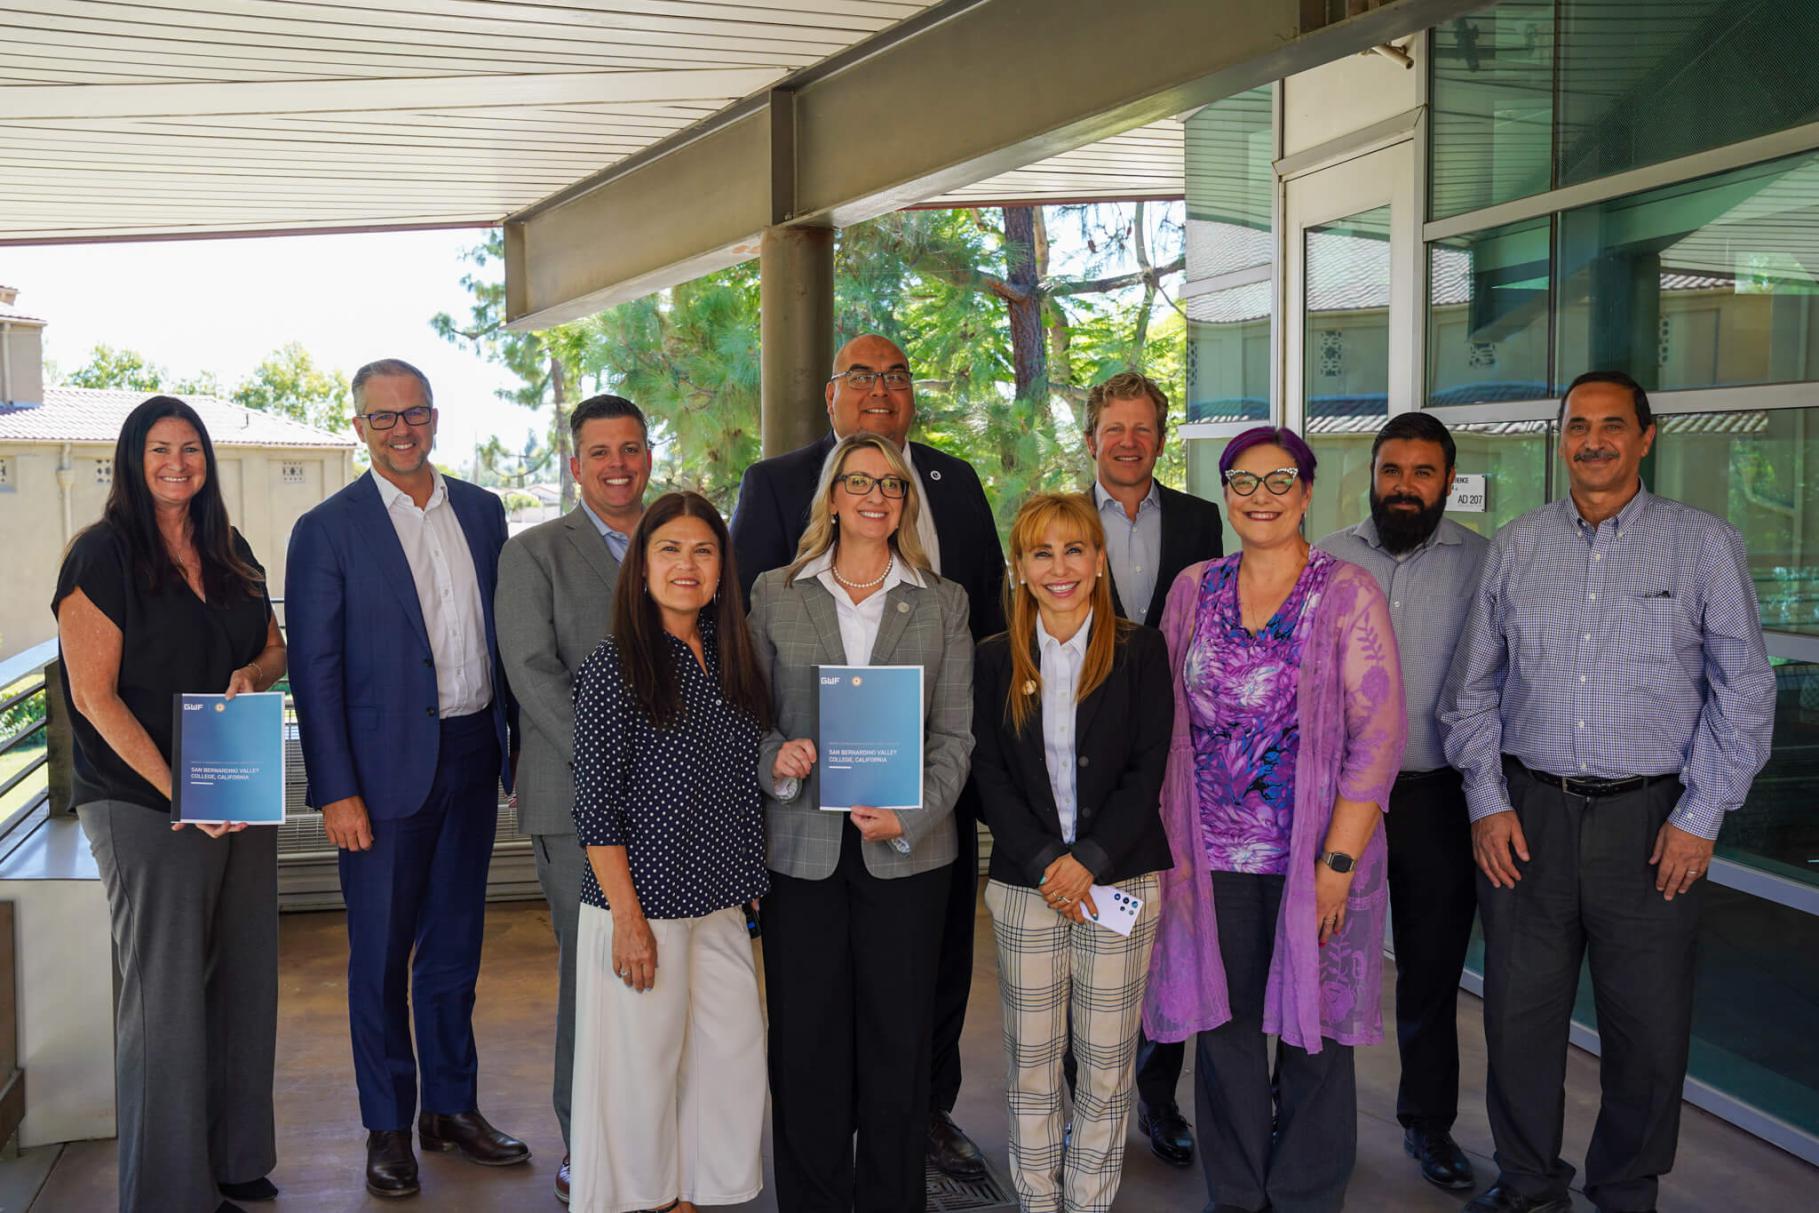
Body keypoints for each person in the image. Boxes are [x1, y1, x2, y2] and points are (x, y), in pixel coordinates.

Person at [1441, 371, 1775, 1213]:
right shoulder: (1516, 544)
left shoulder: (1700, 543)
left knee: (1647, 1029)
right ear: (1560, 438)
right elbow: (1470, 690)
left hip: (1651, 822)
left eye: (1610, 425)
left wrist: (1699, 815)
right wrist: (1486, 800)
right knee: (1519, 1020)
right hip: (1528, 819)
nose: (1592, 440)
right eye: (1577, 425)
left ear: (1645, 436)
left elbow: (1745, 688)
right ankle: (1525, 1184)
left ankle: (1625, 1190)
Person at [730, 332, 1004, 1179]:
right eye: (860, 481)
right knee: (806, 1042)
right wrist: (780, 756)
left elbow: (958, 734)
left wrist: (913, 811)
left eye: (891, 483)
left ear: (907, 499)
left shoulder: (944, 602)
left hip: (907, 848)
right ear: (833, 495)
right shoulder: (775, 593)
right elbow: (745, 717)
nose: (877, 494)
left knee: (897, 1042)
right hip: (802, 850)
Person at [1144, 426, 1407, 1213]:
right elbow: (1159, 717)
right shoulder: (1194, 587)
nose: (1260, 496)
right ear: (1225, 494)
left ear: (1307, 491)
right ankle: (1236, 1191)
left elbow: (1379, 735)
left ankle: (1301, 1193)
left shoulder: (1346, 591)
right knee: (1222, 1034)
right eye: (1243, 481)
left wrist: (1336, 866)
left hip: (1313, 859)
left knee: (1313, 1032)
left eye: (1278, 480)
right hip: (1206, 856)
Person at [286, 358, 527, 1199]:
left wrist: (518, 754)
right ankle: (388, 1125)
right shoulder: (327, 528)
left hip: (470, 754)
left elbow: (512, 644)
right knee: (381, 955)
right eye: (382, 417)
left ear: (433, 417)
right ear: (359, 427)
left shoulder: (484, 511)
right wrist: (335, 789)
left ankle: (449, 1107)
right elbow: (313, 673)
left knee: (456, 947)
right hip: (379, 778)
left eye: (414, 412)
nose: (401, 428)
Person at [53, 395, 288, 1213]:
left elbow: (272, 642)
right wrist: (179, 788)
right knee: (167, 997)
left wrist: (256, 675)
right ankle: (166, 1192)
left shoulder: (230, 548)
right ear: (132, 457)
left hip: (238, 784)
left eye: (190, 448)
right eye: (160, 448)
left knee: (245, 975)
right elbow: (93, 696)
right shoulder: (102, 556)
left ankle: (233, 1157)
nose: (177, 463)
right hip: (144, 802)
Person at [567, 491, 771, 1213]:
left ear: (722, 566)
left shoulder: (730, 655)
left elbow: (739, 777)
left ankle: (694, 1193)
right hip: (641, 904)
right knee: (640, 1072)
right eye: (670, 549)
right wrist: (627, 918)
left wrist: (748, 869)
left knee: (730, 1059)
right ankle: (647, 1201)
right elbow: (595, 809)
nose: (688, 565)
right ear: (642, 566)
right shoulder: (615, 666)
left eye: (703, 550)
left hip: (719, 899)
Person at [971, 492, 1174, 1212]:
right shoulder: (993, 658)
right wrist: (1042, 863)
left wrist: (1086, 857)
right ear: (1019, 567)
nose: (1059, 566)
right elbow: (987, 774)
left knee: (1107, 1063)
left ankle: (1087, 1200)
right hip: (1027, 888)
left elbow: (1148, 768)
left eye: (1073, 549)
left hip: (1119, 879)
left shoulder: (1141, 649)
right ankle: (1036, 1198)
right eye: (1040, 552)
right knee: (1029, 1062)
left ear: (1096, 560)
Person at [1314, 411, 1486, 1192]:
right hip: (1336, 803)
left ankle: (1428, 1123)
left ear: (1446, 479)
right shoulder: (1325, 559)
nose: (1404, 486)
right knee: (1317, 960)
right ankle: (1307, 1113)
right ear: (1372, 474)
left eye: (1422, 472)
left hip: (1432, 798)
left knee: (1429, 968)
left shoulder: (1483, 563)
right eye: (1391, 470)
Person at [496, 393, 652, 1204]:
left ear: (649, 453)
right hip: (575, 796)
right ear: (573, 463)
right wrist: (617, 756)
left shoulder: (683, 538)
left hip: (680, 804)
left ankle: (656, 1135)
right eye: (600, 451)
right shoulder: (533, 555)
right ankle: (585, 1141)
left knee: (665, 968)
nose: (617, 464)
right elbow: (531, 673)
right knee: (593, 973)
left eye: (630, 447)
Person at [1078, 369, 1223, 1166]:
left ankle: (1157, 1098)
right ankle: (1080, 1098)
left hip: (1176, 754)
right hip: (1084, 751)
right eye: (1114, 427)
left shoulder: (1203, 521)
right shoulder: (1064, 520)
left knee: (1164, 925)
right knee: (1087, 920)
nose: (1128, 441)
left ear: (1159, 439)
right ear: (1091, 437)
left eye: (1142, 428)